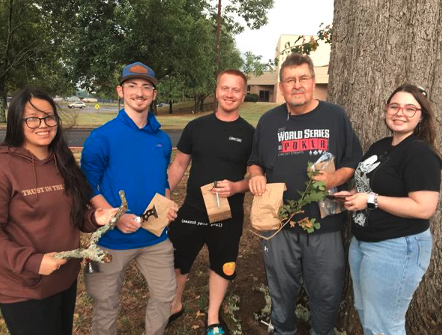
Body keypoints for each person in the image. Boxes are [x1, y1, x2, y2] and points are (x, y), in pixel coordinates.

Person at [248, 53, 362, 335]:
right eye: (290, 80)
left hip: (325, 221)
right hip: (280, 223)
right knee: (281, 286)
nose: (296, 85)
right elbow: (255, 160)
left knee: (326, 288)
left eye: (303, 78)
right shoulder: (269, 121)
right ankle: (283, 330)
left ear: (313, 81)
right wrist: (257, 175)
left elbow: (351, 161)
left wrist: (334, 177)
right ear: (281, 85)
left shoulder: (335, 116)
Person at [0, 88, 117, 335]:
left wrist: (94, 218)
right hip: (25, 288)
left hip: (64, 279)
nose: (43, 124)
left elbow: (72, 214)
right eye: (32, 118)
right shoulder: (4, 166)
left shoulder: (61, 160)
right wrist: (32, 261)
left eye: (49, 117)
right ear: (16, 121)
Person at [81, 62, 178, 335]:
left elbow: (163, 180)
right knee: (106, 302)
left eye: (146, 87)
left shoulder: (162, 138)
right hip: (113, 238)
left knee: (165, 295)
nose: (140, 92)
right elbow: (87, 184)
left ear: (154, 94)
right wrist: (115, 217)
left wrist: (167, 206)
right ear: (120, 91)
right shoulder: (102, 137)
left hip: (154, 237)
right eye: (132, 86)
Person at [336, 84, 441, 335]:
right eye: (394, 106)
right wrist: (352, 195)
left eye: (410, 108)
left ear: (421, 116)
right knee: (367, 315)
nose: (400, 112)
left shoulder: (420, 153)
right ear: (386, 109)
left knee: (384, 324)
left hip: (396, 247)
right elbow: (368, 186)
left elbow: (424, 208)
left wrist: (370, 200)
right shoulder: (381, 146)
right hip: (364, 243)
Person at [167, 69, 255, 335]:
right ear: (216, 91)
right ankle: (174, 305)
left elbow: (257, 176)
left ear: (243, 95)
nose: (229, 94)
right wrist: (165, 196)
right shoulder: (196, 127)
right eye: (225, 88)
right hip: (194, 207)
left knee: (223, 262)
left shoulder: (251, 134)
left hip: (227, 210)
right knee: (178, 259)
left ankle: (213, 317)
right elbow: (179, 164)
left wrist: (237, 186)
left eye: (236, 90)